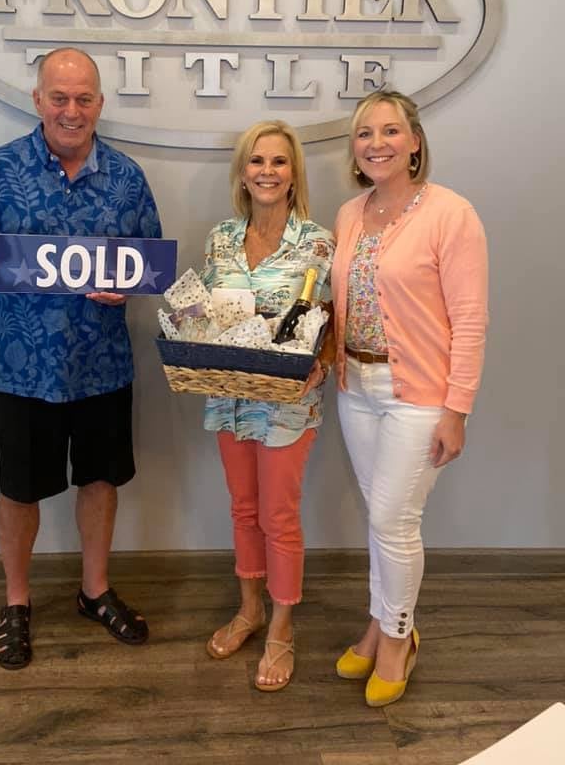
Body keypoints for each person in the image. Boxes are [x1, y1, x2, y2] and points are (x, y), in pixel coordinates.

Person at [0, 48, 162, 669]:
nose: (71, 110)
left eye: (83, 98)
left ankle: (94, 591)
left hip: (101, 364)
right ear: (38, 100)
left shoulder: (128, 177)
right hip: (20, 367)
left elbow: (150, 263)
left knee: (100, 480)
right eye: (59, 97)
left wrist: (131, 285)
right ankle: (16, 603)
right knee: (19, 490)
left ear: (100, 104)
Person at [331, 89, 488, 706]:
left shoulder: (451, 214)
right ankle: (379, 625)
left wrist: (457, 409)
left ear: (415, 141)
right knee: (380, 517)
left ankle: (398, 637)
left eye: (391, 131)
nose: (377, 144)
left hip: (419, 396)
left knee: (393, 521)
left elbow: (470, 320)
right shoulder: (349, 214)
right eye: (365, 133)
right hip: (356, 387)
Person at [200, 120, 335, 692]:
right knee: (243, 508)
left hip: (286, 405)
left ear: (293, 174)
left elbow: (334, 320)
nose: (267, 171)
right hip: (227, 399)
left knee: (278, 516)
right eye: (257, 161)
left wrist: (322, 364)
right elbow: (207, 315)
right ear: (243, 173)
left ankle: (281, 626)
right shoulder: (220, 240)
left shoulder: (318, 242)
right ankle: (249, 609)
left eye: (279, 162)